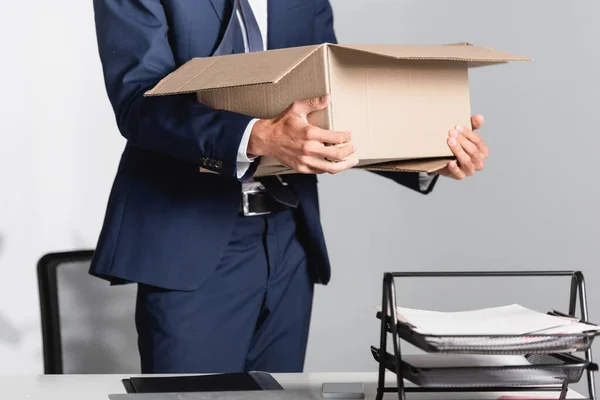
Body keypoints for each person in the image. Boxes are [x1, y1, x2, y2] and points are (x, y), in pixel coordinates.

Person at [90, 0, 490, 374]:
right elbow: (138, 101)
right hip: (188, 239)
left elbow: (333, 105)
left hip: (289, 238)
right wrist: (255, 136)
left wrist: (429, 155)